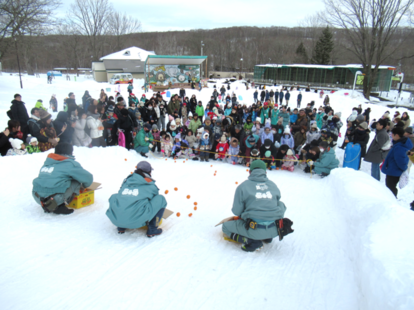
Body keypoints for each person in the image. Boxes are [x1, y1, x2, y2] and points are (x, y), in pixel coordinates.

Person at [222, 160, 287, 252]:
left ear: (249, 172)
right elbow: (279, 204)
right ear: (265, 172)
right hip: (275, 230)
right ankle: (268, 236)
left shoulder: (242, 187)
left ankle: (251, 241)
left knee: (225, 226)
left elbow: (237, 211)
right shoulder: (273, 185)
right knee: (280, 203)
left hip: (253, 228)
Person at [106, 161, 167, 237]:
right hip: (136, 221)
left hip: (116, 220)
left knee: (115, 196)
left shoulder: (127, 180)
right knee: (161, 199)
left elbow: (121, 194)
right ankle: (152, 229)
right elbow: (155, 197)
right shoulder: (149, 182)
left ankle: (121, 226)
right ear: (149, 172)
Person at [32, 143, 93, 215]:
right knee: (76, 180)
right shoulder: (70, 163)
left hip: (38, 197)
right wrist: (84, 186)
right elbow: (88, 178)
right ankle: (59, 206)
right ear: (70, 152)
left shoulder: (47, 163)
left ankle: (48, 204)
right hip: (55, 198)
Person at [381, 127, 413, 197]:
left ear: (397, 135)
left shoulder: (399, 146)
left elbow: (400, 160)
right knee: (390, 187)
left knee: (390, 188)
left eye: (392, 134)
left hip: (394, 171)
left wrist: (403, 168)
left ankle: (392, 201)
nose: (391, 135)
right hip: (393, 170)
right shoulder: (399, 144)